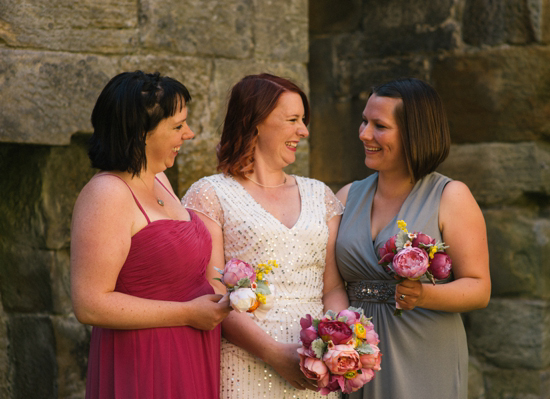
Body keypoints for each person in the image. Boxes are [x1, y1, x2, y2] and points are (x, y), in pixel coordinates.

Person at [182, 73, 348, 399]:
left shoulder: (321, 195)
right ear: (256, 122)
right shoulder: (209, 194)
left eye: (304, 120)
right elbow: (214, 294)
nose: (304, 130)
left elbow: (333, 287)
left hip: (314, 372)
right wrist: (273, 353)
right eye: (293, 120)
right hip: (245, 365)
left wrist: (336, 345)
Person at [70, 71, 231, 399]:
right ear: (140, 133)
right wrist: (187, 312)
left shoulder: (160, 180)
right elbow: (90, 303)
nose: (189, 134)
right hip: (147, 359)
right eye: (177, 126)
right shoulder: (107, 194)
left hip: (193, 350)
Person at [335, 77, 491, 398]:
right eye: (364, 121)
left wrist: (422, 295)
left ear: (413, 133)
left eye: (380, 125)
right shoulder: (347, 196)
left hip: (424, 349)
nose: (364, 134)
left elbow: (479, 288)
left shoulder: (451, 196)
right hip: (355, 355)